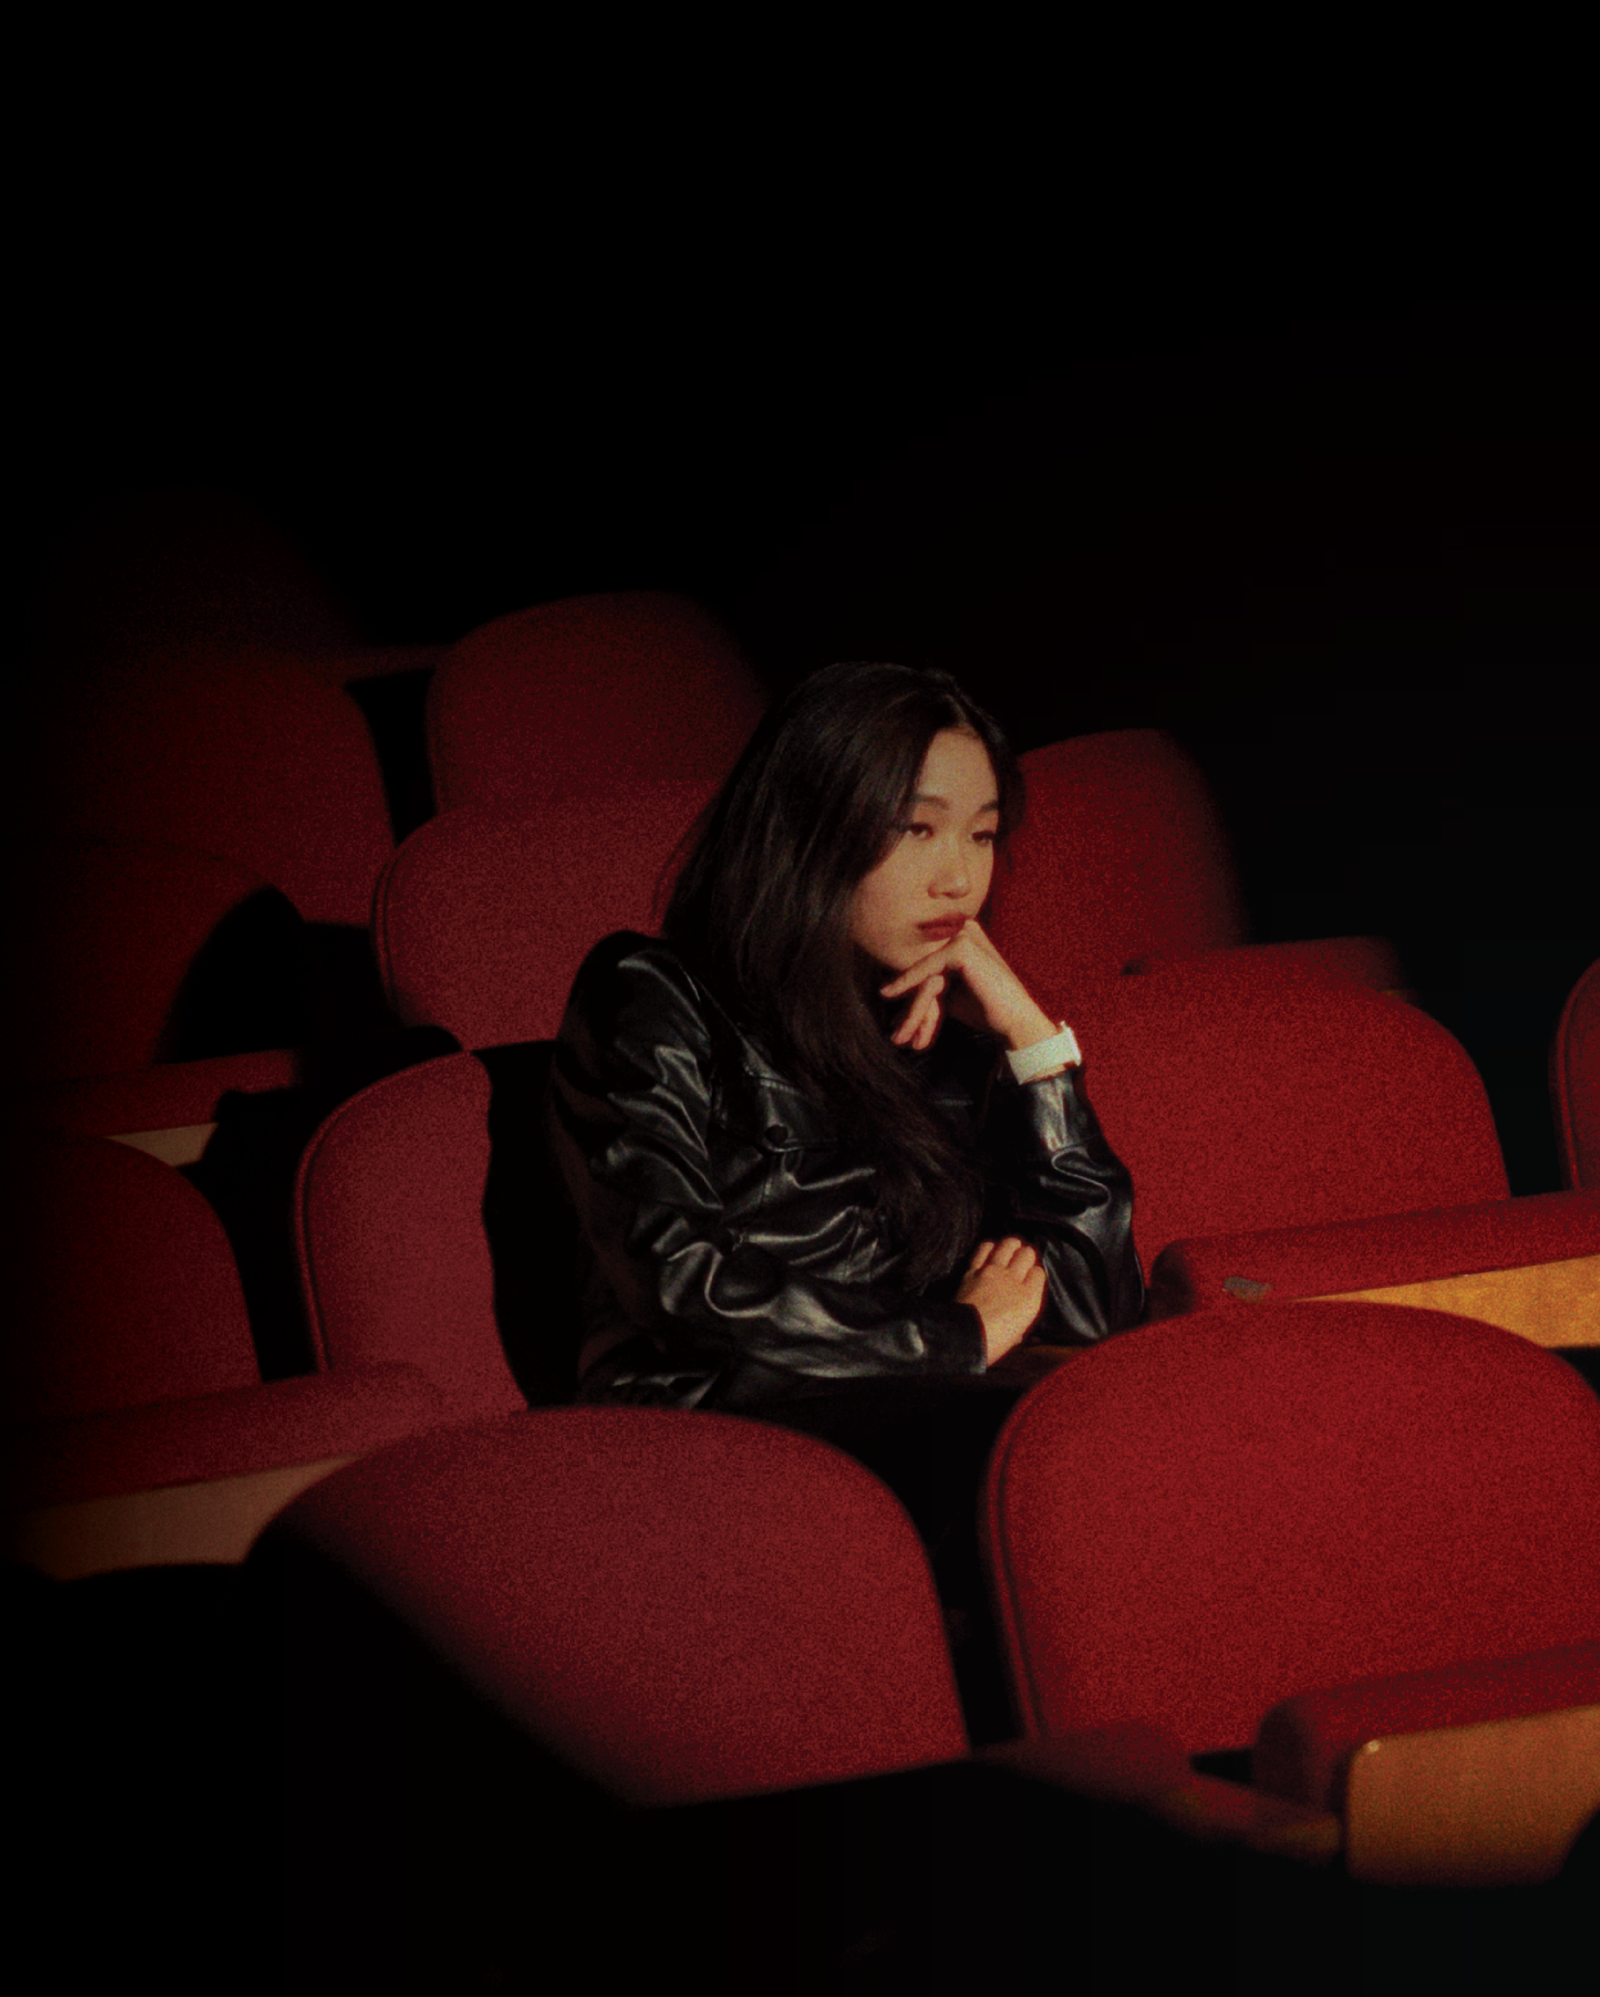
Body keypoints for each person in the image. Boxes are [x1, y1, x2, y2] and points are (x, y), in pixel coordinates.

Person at [546, 661, 1143, 1733]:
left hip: (910, 1424)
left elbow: (1090, 1313)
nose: (958, 877)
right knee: (1056, 1473)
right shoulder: (653, 994)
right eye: (917, 829)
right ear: (813, 827)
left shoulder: (942, 1034)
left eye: (982, 834)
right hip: (702, 1435)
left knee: (1121, 1431)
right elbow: (679, 1277)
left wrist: (1031, 1042)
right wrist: (953, 1337)